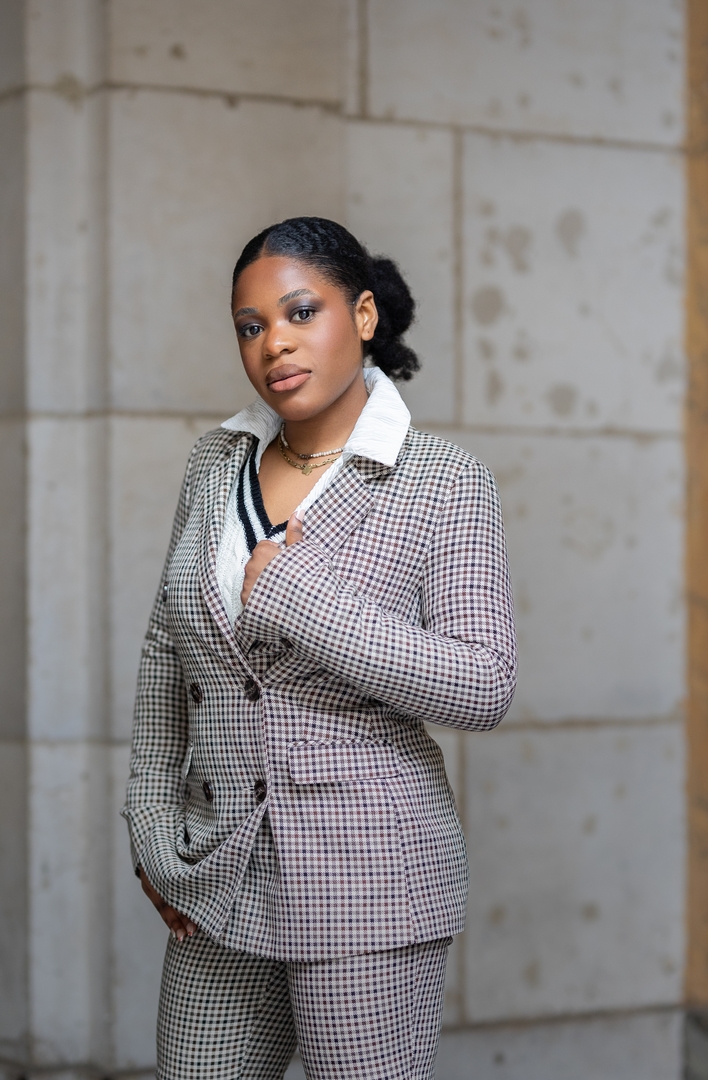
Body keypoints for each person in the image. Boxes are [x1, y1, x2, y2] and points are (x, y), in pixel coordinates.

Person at [122, 216, 516, 1080]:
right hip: (215, 874)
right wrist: (151, 828)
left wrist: (302, 599)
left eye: (302, 313)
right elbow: (164, 652)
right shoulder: (215, 463)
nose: (275, 344)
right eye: (251, 326)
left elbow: (484, 684)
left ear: (364, 315)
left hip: (368, 885)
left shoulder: (442, 480)